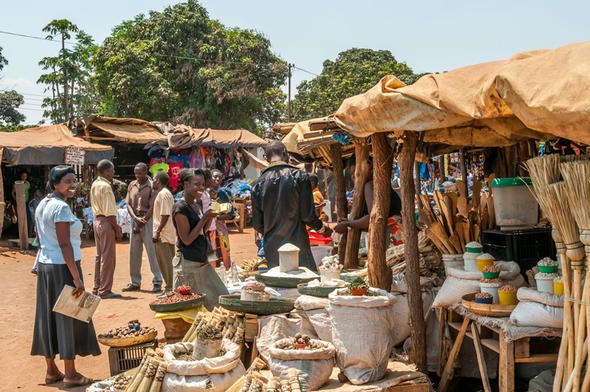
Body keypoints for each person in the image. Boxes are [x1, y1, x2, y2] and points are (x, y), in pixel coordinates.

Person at [31, 165, 100, 387]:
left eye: (73, 180)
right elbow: (64, 243)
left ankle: (51, 370)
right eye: (68, 181)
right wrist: (77, 278)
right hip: (63, 267)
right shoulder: (60, 208)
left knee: (47, 316)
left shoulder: (43, 203)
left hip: (46, 266)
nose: (73, 185)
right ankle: (70, 373)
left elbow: (39, 235)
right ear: (55, 183)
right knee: (67, 316)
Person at [251, 141, 332, 271]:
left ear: (266, 159)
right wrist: (322, 229)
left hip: (273, 248)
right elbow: (307, 216)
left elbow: (258, 224)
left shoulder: (257, 184)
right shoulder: (300, 177)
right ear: (285, 154)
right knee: (305, 283)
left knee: (279, 286)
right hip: (298, 245)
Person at [172, 169, 229, 310]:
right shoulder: (180, 208)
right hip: (188, 266)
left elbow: (203, 231)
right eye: (197, 184)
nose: (201, 188)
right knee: (190, 310)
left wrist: (209, 217)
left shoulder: (196, 205)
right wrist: (204, 217)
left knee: (221, 299)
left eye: (203, 184)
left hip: (201, 262)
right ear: (186, 184)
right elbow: (186, 240)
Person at [333, 158, 402, 240]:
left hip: (393, 236)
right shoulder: (377, 184)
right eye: (352, 173)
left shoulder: (369, 186)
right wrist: (350, 223)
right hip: (397, 233)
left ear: (369, 169)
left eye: (356, 172)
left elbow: (372, 218)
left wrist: (348, 224)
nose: (353, 176)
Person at [123, 162, 163, 293]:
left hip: (148, 220)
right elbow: (128, 203)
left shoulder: (152, 186)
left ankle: (157, 281)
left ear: (146, 172)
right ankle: (135, 281)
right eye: (136, 173)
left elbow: (153, 206)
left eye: (139, 173)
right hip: (135, 219)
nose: (137, 175)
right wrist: (135, 219)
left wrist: (143, 221)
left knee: (152, 251)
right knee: (134, 252)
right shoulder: (131, 185)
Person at [90, 160, 122, 299]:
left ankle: (97, 287)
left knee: (99, 256)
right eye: (113, 170)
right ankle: (105, 290)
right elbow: (110, 213)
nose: (114, 173)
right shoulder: (105, 186)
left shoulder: (95, 184)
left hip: (97, 221)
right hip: (106, 222)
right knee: (108, 258)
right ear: (108, 171)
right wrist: (117, 229)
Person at [152, 171, 175, 292]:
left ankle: (170, 288)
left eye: (154, 179)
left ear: (158, 181)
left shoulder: (163, 194)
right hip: (165, 233)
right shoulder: (163, 194)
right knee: (166, 262)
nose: (152, 181)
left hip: (163, 235)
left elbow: (165, 215)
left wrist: (157, 231)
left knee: (166, 263)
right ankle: (170, 287)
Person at [210, 169, 235, 270]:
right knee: (211, 253)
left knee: (223, 252)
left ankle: (225, 272)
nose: (217, 179)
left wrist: (216, 217)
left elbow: (231, 214)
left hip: (220, 230)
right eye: (214, 176)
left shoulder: (222, 194)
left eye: (219, 177)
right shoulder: (204, 193)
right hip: (208, 230)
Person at [12, 170, 33, 235]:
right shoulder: (17, 183)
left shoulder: (27, 183)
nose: (24, 177)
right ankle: (20, 233)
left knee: (27, 217)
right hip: (20, 203)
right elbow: (12, 193)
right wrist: (16, 200)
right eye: (23, 176)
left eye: (25, 176)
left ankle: (28, 232)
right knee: (20, 218)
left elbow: (28, 191)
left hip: (26, 202)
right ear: (21, 176)